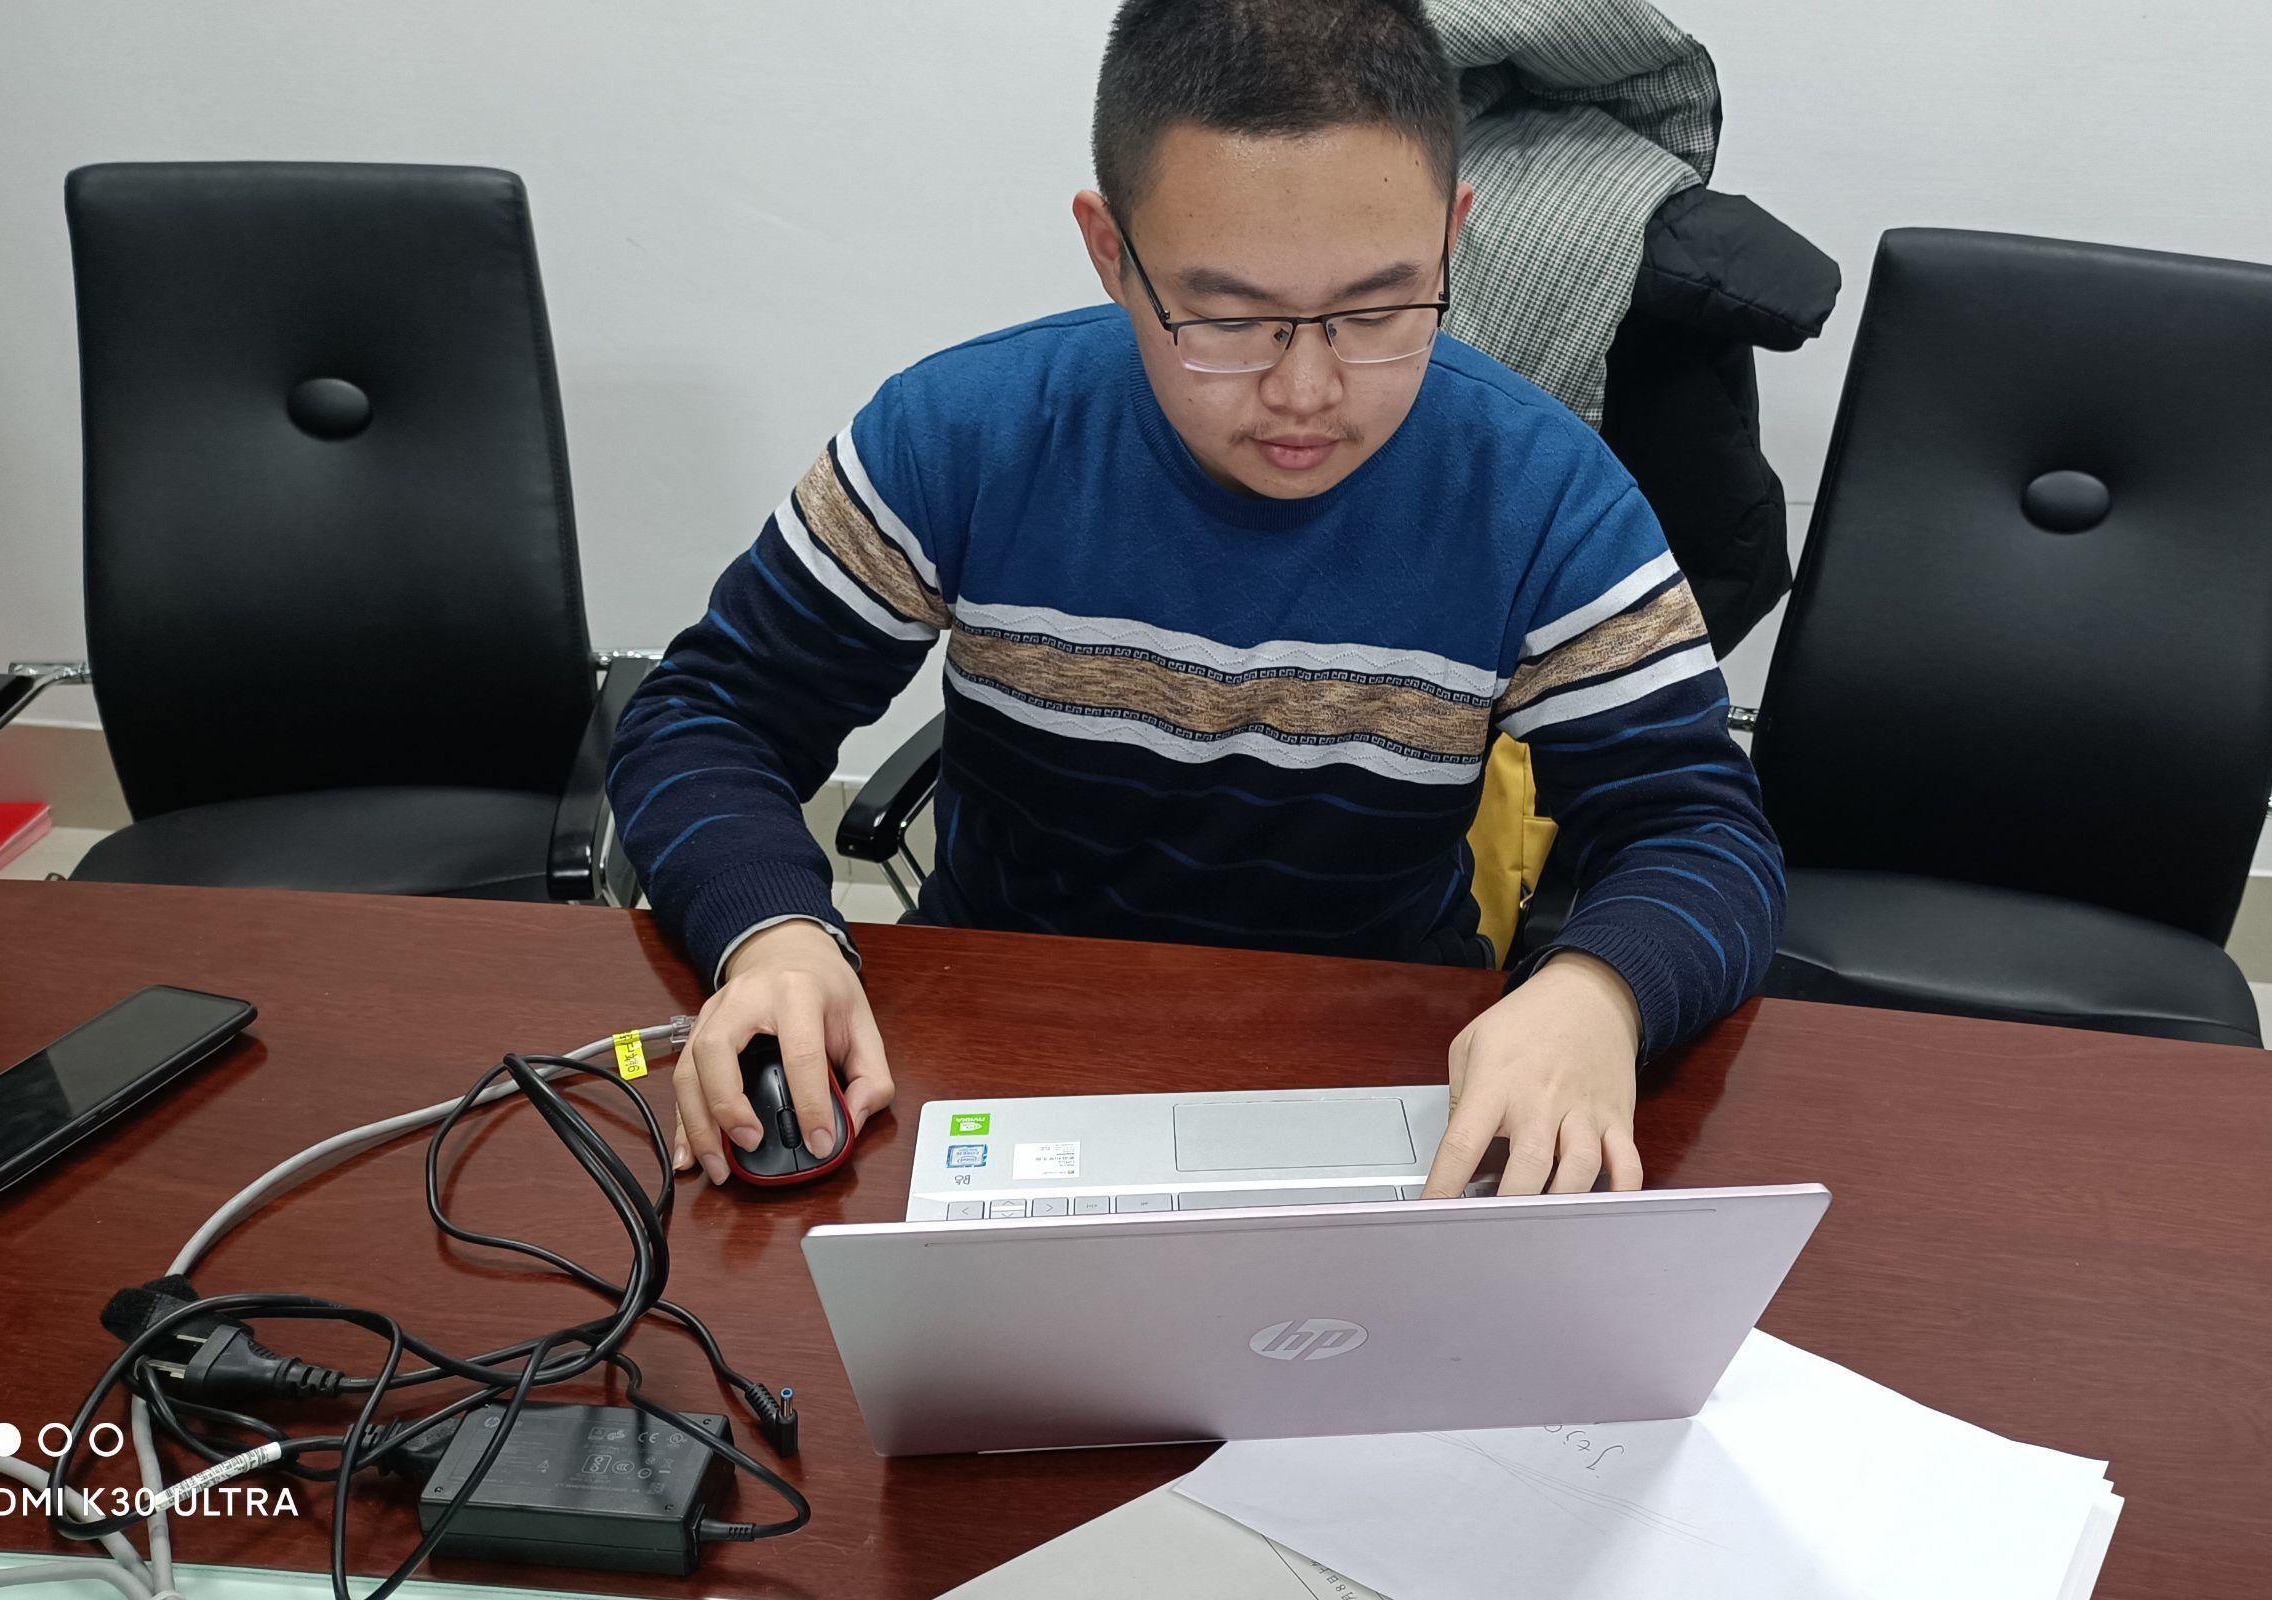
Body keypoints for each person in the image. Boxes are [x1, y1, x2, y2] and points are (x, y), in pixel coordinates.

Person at [609, 0, 1784, 1200]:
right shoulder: (962, 438)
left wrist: (1597, 992)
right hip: (1001, 1045)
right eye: (1226, 317)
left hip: (1385, 1073)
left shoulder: (1538, 493)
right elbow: (710, 716)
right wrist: (775, 935)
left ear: (1450, 237)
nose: (1306, 390)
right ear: (1111, 253)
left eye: (1378, 311)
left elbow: (1695, 829)